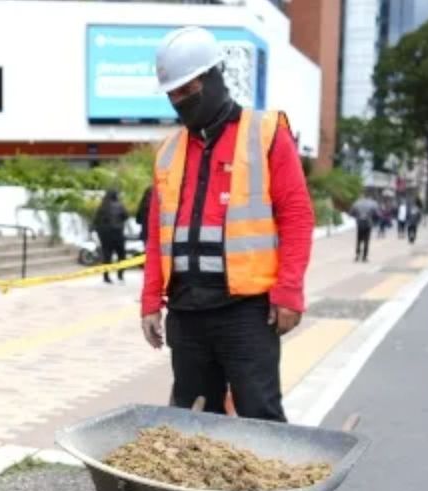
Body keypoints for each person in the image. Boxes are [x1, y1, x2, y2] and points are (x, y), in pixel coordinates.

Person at [141, 26, 314, 423]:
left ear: (215, 76)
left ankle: (272, 488)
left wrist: (289, 291)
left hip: (246, 314)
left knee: (260, 416)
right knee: (194, 421)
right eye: (173, 94)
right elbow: (157, 236)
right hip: (186, 313)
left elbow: (297, 216)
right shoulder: (168, 153)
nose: (179, 101)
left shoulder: (266, 134)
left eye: (188, 90)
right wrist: (151, 301)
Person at [93, 189, 130, 283]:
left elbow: (96, 221)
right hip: (118, 233)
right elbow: (126, 216)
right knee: (121, 254)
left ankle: (106, 276)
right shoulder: (119, 205)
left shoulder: (102, 206)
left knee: (107, 255)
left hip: (105, 235)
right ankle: (120, 274)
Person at [350, 194, 381, 262]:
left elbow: (351, 213)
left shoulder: (356, 203)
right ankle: (365, 257)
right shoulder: (372, 204)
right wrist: (373, 218)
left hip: (360, 223)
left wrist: (357, 216)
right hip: (368, 223)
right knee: (366, 240)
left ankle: (357, 255)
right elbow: (377, 214)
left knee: (358, 240)